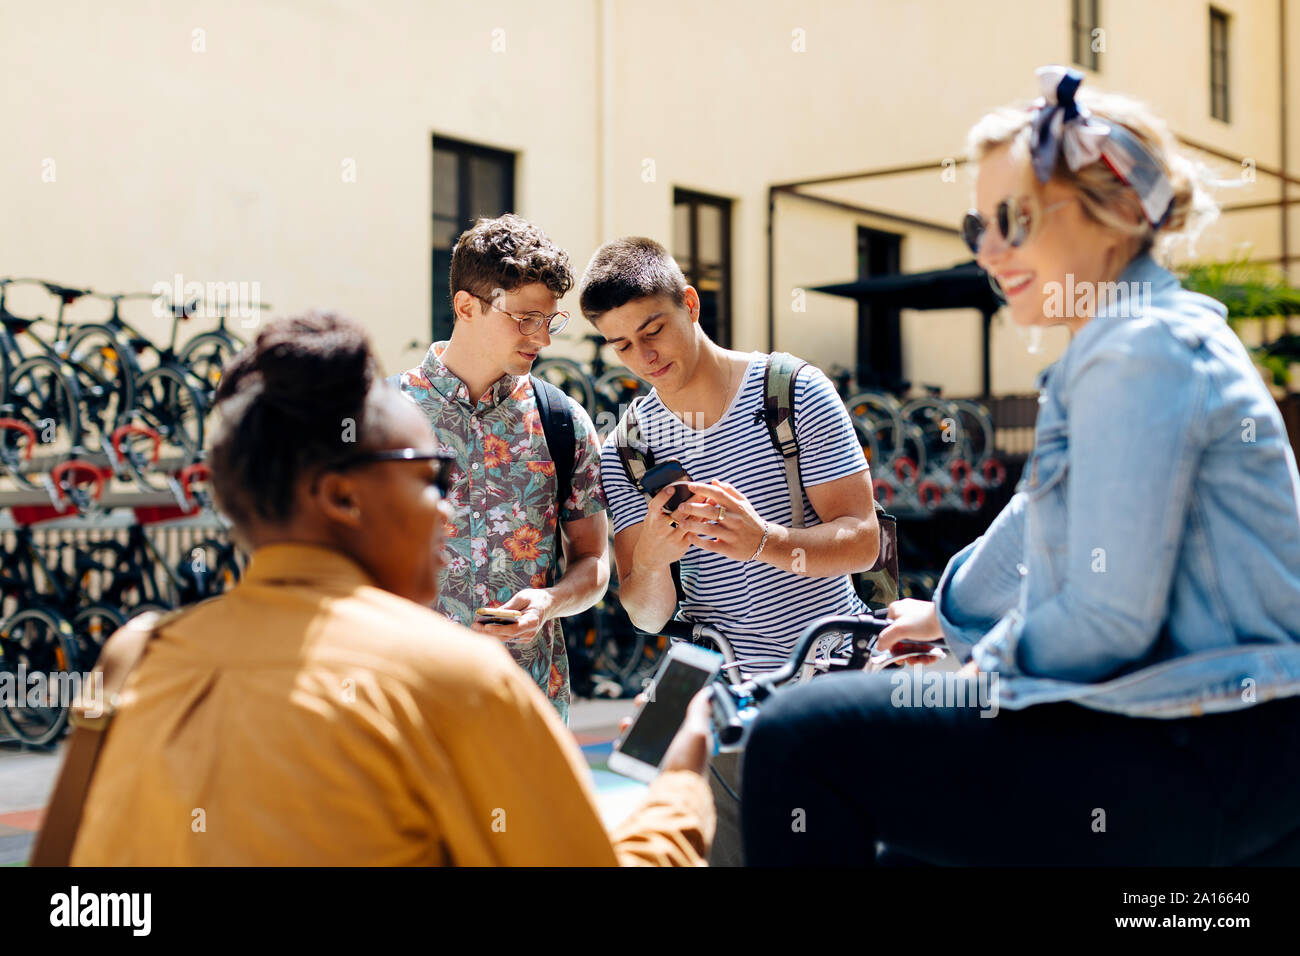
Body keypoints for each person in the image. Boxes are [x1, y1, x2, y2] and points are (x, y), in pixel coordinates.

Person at [741, 66, 1300, 866]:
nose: (992, 251)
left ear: (1112, 215)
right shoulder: (1128, 338)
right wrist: (944, 616)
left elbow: (1110, 623)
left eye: (1016, 220)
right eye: (979, 229)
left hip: (1203, 746)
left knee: (799, 740)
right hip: (1212, 736)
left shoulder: (1143, 351)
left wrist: (970, 667)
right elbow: (1038, 512)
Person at [69, 312, 715, 866]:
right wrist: (681, 781)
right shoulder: (457, 679)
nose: (450, 511)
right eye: (432, 476)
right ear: (341, 496)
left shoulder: (134, 657)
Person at [579, 236, 882, 865]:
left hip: (825, 692)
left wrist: (766, 541)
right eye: (621, 345)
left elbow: (863, 541)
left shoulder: (792, 391)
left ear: (690, 303)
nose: (643, 355)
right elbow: (646, 613)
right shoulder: (628, 445)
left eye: (653, 330)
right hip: (716, 709)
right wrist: (656, 557)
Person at [394, 214, 608, 724]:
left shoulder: (565, 422)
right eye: (525, 318)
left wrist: (550, 602)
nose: (543, 339)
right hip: (404, 710)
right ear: (466, 305)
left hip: (525, 710)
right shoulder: (380, 419)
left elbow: (595, 561)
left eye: (550, 320)